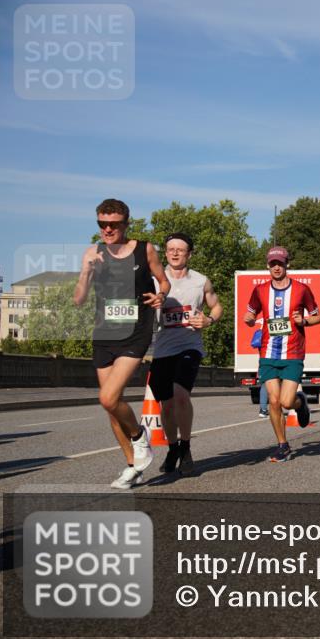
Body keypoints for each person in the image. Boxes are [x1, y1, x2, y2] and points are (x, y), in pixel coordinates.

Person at [73, 199, 169, 489]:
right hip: (104, 334)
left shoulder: (145, 249)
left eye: (113, 224)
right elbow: (78, 300)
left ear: (126, 224)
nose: (107, 229)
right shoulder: (93, 253)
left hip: (136, 332)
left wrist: (161, 296)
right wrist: (88, 271)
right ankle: (133, 466)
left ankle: (141, 439)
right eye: (102, 224)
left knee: (108, 397)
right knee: (111, 407)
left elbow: (163, 282)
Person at [151, 233, 222, 476]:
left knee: (180, 396)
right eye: (170, 249)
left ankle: (186, 448)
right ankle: (172, 449)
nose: (174, 253)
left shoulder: (201, 281)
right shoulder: (155, 282)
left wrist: (209, 320)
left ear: (189, 254)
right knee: (167, 405)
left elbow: (217, 305)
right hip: (161, 349)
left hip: (189, 346)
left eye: (180, 249)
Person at [244, 246, 320, 462]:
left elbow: (318, 317)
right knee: (274, 401)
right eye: (272, 264)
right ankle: (283, 445)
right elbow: (249, 313)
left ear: (288, 264)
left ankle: (299, 401)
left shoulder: (301, 289)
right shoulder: (259, 291)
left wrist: (304, 321)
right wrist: (248, 319)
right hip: (268, 353)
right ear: (267, 266)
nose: (276, 267)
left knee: (287, 402)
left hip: (293, 353)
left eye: (280, 263)